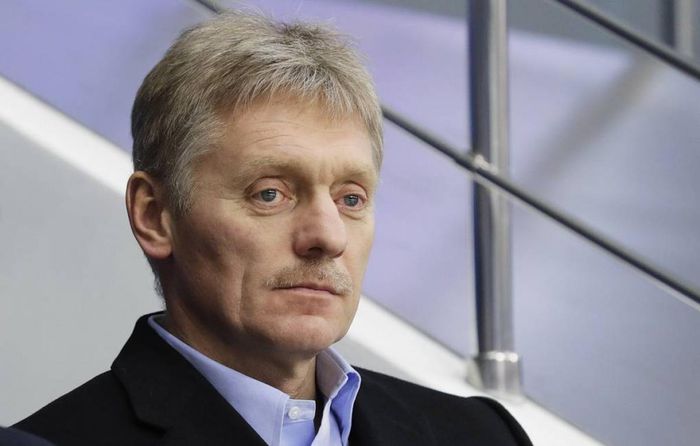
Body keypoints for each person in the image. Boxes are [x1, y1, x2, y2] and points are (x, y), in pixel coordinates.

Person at [15, 10, 532, 446]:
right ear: (154, 216)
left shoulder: (482, 436)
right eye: (270, 193)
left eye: (351, 198)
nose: (328, 236)